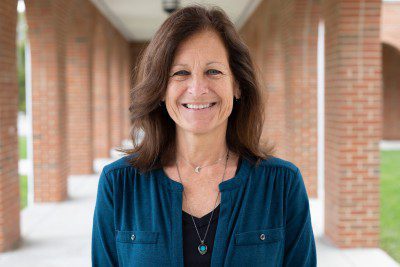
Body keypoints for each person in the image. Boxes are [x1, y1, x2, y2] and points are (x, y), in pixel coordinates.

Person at [91, 5, 316, 267]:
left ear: (237, 85)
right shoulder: (119, 184)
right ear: (161, 89)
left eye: (213, 71)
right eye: (180, 73)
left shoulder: (282, 185)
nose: (197, 89)